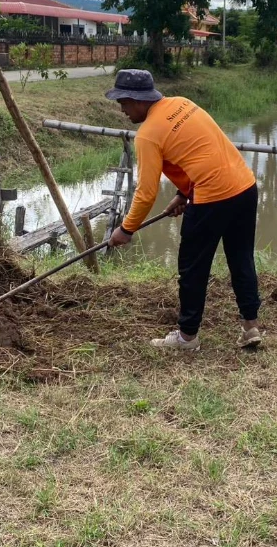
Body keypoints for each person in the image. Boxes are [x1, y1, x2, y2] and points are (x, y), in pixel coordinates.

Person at [105, 69, 262, 351]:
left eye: (123, 104)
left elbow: (146, 193)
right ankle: (251, 327)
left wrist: (126, 229)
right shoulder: (183, 104)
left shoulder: (147, 135)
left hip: (213, 197)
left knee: (192, 268)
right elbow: (202, 152)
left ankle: (187, 337)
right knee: (241, 258)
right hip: (245, 187)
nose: (123, 111)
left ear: (137, 100)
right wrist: (183, 194)